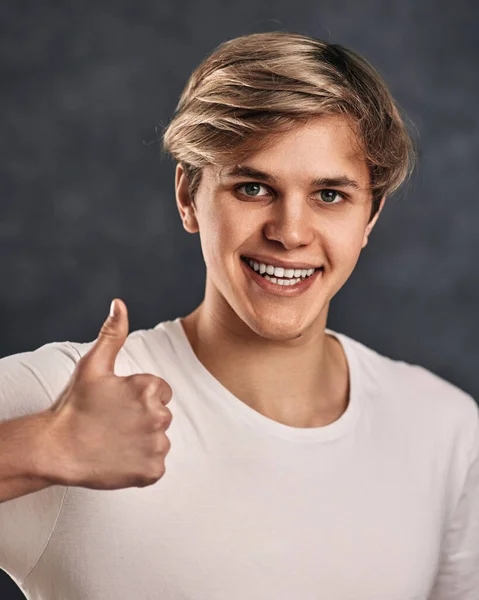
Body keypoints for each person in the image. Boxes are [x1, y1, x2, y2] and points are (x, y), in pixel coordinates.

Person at [0, 31, 477, 600]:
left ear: (370, 214)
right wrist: (46, 447)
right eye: (253, 187)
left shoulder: (442, 427)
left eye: (329, 195)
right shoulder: (71, 396)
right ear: (188, 195)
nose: (290, 233)